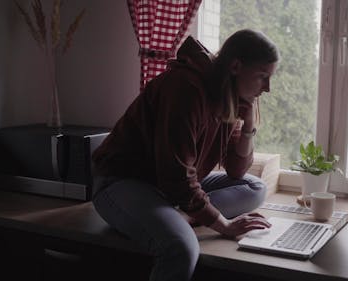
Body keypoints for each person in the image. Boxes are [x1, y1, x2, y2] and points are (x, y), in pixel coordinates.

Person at [91, 29, 279, 281]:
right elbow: (176, 176)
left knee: (254, 187)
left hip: (167, 190)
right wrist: (223, 225)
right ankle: (181, 216)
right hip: (123, 183)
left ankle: (183, 214)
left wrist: (247, 126)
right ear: (236, 66)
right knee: (181, 249)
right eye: (262, 77)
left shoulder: (229, 94)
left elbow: (236, 171)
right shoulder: (186, 88)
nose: (267, 88)